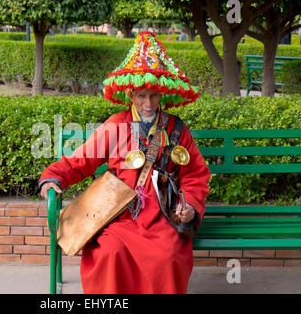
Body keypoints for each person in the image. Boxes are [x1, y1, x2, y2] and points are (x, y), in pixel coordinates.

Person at [38, 31, 210, 294]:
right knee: (109, 253)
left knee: (167, 256)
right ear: (130, 94)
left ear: (161, 94)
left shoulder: (176, 128)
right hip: (118, 214)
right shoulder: (115, 125)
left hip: (163, 214)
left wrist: (190, 207)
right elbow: (81, 161)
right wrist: (53, 178)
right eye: (141, 96)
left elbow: (196, 175)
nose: (148, 103)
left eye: (153, 95)